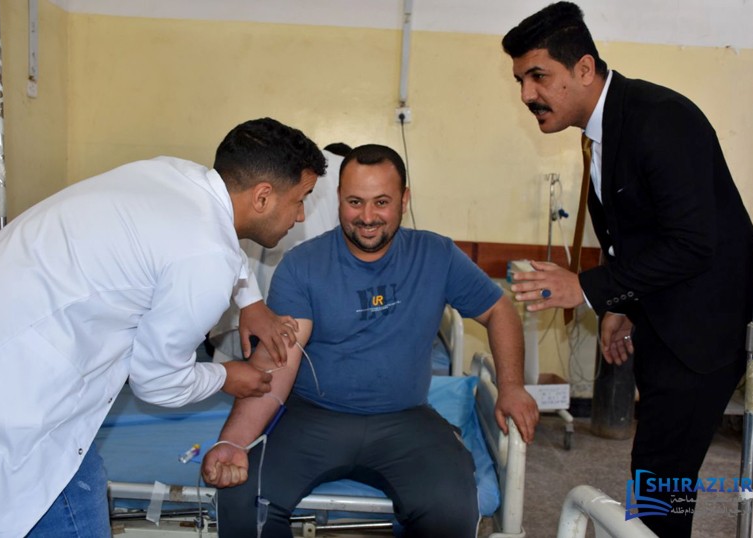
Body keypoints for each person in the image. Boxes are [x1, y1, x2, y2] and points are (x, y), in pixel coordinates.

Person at [0, 117, 326, 538]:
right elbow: (157, 383)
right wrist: (226, 376)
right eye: (300, 200)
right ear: (263, 196)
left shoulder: (172, 173)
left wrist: (252, 301)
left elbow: (208, 243)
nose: (301, 216)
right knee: (68, 495)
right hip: (12, 401)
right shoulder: (206, 257)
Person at [501, 3, 753, 536]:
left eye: (538, 76)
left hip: (703, 332)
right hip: (666, 318)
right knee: (658, 476)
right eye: (521, 79)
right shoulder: (602, 131)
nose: (526, 94)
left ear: (584, 69)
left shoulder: (660, 118)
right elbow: (637, 235)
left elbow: (693, 243)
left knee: (660, 480)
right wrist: (622, 306)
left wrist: (586, 288)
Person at [202, 143, 539, 538]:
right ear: (338, 200)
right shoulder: (305, 264)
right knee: (241, 500)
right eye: (354, 202)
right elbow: (280, 360)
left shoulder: (436, 256)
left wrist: (511, 387)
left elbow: (499, 310)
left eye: (381, 202)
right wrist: (234, 442)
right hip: (312, 418)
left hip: (405, 419)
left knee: (451, 512)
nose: (366, 217)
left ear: (404, 200)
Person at [210, 143, 351, 362]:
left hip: (248, 308)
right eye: (300, 201)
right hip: (299, 308)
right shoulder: (341, 173)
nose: (301, 216)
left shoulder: (293, 170)